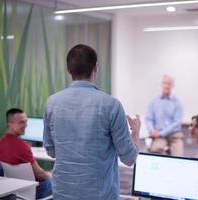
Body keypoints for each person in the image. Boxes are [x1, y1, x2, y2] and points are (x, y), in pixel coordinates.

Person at [43, 44, 140, 200]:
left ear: (68, 70)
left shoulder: (51, 103)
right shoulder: (111, 105)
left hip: (62, 194)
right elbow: (129, 159)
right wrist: (135, 131)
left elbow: (51, 152)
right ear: (95, 67)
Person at [0, 108, 52, 199]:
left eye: (26, 122)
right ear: (10, 124)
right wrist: (50, 174)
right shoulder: (23, 146)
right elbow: (40, 175)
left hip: (14, 190)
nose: (25, 125)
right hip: (34, 190)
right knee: (58, 180)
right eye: (21, 122)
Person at [145, 75, 184, 156]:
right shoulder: (154, 101)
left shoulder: (177, 103)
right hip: (158, 136)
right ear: (162, 84)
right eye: (165, 83)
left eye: (169, 83)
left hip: (174, 136)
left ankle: (169, 152)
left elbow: (177, 123)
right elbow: (149, 119)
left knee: (179, 157)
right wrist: (152, 130)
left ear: (172, 85)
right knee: (155, 151)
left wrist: (161, 133)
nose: (167, 85)